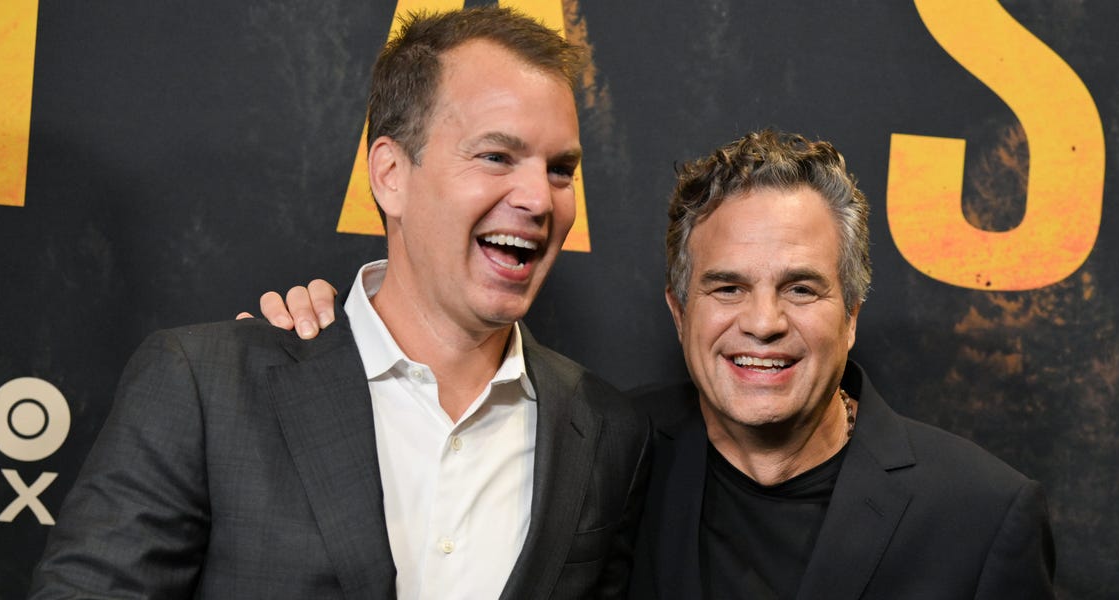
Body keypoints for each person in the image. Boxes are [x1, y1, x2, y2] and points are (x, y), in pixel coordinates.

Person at [260, 130, 1056, 598]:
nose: (763, 322)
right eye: (727, 287)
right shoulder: (597, 450)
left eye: (802, 288)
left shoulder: (980, 515)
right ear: (680, 312)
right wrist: (323, 347)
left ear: (852, 311)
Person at [30, 7, 650, 599]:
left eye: (561, 169)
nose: (539, 199)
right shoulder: (208, 386)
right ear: (390, 174)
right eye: (496, 157)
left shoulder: (606, 432)